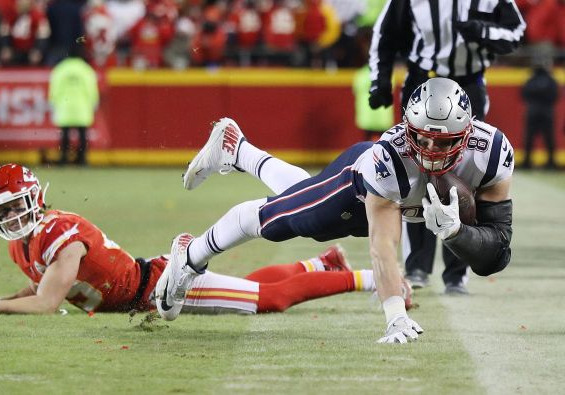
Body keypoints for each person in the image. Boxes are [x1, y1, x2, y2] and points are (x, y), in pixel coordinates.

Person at [156, 77, 514, 344]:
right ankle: (189, 255)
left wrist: (456, 233)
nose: (431, 149)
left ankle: (238, 150)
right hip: (356, 190)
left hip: (401, 200)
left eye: (444, 141)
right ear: (408, 128)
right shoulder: (389, 159)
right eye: (422, 138)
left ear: (467, 135)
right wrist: (395, 316)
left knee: (301, 196)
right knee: (282, 220)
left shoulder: (493, 152)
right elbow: (383, 246)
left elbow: (496, 253)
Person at [0, 164, 412, 317]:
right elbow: (39, 291)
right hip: (144, 289)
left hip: (161, 285)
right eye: (4, 210)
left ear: (36, 198)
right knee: (249, 287)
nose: (13, 215)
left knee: (268, 300)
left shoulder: (61, 234)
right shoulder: (21, 244)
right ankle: (319, 263)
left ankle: (371, 279)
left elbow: (46, 303)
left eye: (18, 204)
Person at [368, 0, 525, 294]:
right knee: (414, 173)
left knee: (466, 174)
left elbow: (516, 33)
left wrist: (483, 31)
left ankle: (457, 272)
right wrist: (380, 79)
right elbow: (384, 34)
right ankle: (416, 265)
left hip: (469, 85)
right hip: (423, 83)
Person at [48, 46, 99, 166]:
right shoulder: (86, 69)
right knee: (82, 135)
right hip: (82, 107)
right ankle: (82, 160)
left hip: (64, 107)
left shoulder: (60, 69)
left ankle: (63, 159)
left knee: (64, 135)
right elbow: (91, 89)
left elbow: (54, 88)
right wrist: (94, 102)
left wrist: (52, 102)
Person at [521, 60, 559, 170]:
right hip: (547, 112)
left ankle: (527, 162)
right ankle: (551, 162)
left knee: (529, 137)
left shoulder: (531, 80)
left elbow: (524, 94)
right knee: (549, 138)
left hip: (533, 111)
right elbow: (555, 96)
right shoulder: (551, 80)